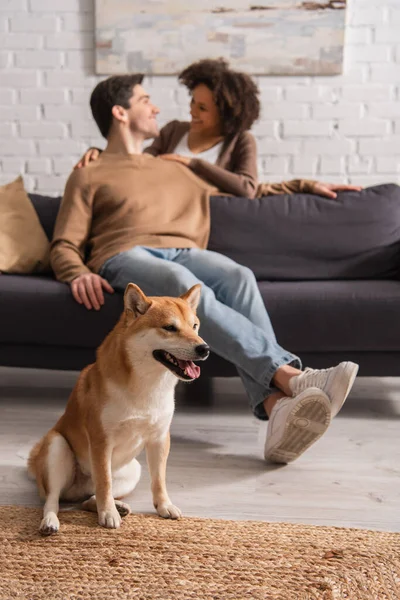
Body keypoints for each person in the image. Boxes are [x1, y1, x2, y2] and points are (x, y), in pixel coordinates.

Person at [52, 73, 359, 465]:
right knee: (185, 287)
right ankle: (294, 378)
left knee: (239, 276)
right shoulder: (88, 171)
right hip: (126, 254)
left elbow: (250, 191)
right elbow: (63, 243)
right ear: (120, 112)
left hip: (183, 249)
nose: (157, 107)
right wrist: (78, 272)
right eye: (146, 100)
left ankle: (275, 403)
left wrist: (307, 184)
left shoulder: (175, 166)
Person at [75, 59, 361, 200]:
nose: (192, 112)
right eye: (192, 103)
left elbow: (248, 189)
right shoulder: (174, 131)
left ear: (225, 114)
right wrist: (102, 154)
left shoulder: (240, 142)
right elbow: (137, 164)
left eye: (202, 109)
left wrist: (192, 163)